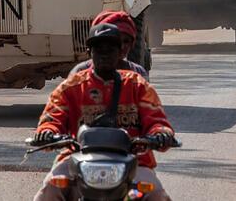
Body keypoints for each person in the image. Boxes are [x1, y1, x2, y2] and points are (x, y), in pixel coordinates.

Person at [32, 23, 175, 201]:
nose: (104, 54)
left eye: (110, 48)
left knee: (156, 194)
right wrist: (47, 132)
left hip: (133, 164)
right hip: (77, 161)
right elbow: (52, 117)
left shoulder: (137, 85)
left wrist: (161, 134)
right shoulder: (71, 87)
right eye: (99, 48)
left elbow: (156, 120)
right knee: (49, 190)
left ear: (120, 51)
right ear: (90, 52)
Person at [69, 11, 149, 81]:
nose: (122, 46)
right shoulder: (79, 74)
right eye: (115, 41)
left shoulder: (137, 74)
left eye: (126, 41)